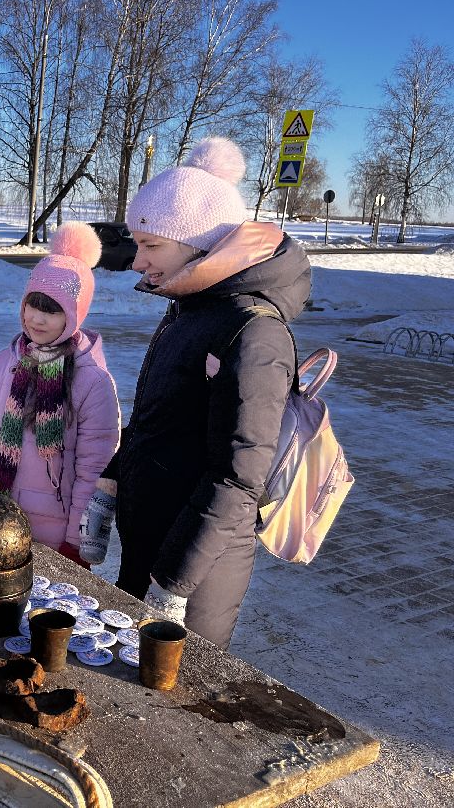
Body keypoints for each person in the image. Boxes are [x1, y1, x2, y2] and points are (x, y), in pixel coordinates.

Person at [81, 136, 310, 649]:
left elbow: (237, 474)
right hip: (152, 542)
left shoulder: (255, 332)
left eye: (152, 245)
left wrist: (174, 583)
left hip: (197, 570)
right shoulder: (188, 309)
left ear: (199, 242)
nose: (138, 262)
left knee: (172, 705)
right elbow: (157, 421)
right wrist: (110, 484)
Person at [0, 221, 121, 568]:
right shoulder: (4, 363)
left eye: (52, 309)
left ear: (74, 314)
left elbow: (94, 471)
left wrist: (77, 544)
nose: (37, 319)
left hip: (52, 535)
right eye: (32, 305)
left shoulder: (92, 381)